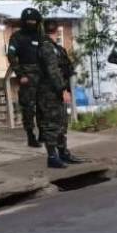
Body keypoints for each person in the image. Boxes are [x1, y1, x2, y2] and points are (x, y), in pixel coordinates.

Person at [43, 19, 83, 165]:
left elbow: (66, 67)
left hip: (57, 90)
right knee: (52, 124)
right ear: (56, 31)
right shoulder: (47, 48)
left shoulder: (56, 48)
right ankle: (52, 157)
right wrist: (62, 90)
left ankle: (63, 152)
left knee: (61, 123)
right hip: (50, 92)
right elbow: (53, 72)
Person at [6, 7, 44, 147]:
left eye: (33, 20)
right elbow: (11, 55)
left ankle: (43, 134)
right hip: (26, 76)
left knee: (43, 106)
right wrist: (20, 74)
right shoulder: (17, 37)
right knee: (28, 108)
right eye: (28, 20)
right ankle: (30, 136)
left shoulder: (40, 36)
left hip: (42, 76)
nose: (31, 23)